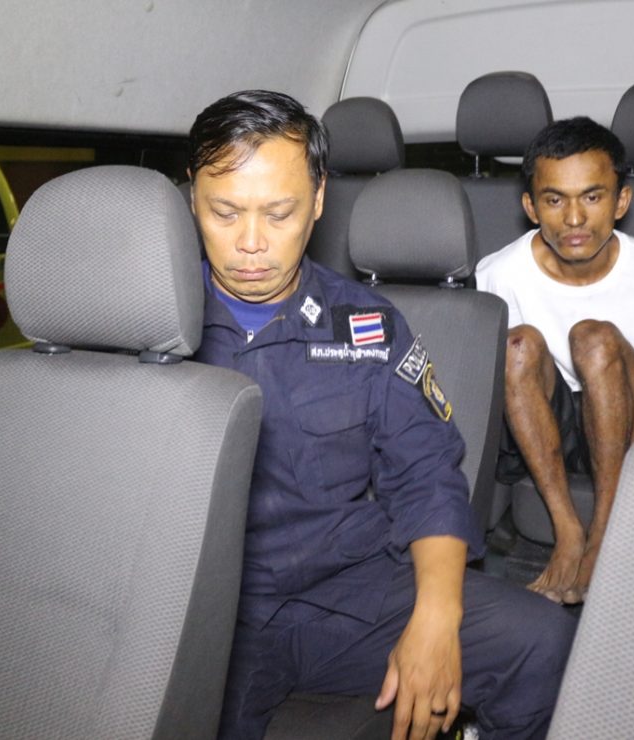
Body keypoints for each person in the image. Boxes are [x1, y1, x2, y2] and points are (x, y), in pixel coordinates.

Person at [188, 90, 576, 740]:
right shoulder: (152, 330)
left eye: (279, 213)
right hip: (210, 608)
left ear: (317, 203)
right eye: (224, 212)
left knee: (540, 642)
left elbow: (426, 474)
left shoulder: (364, 327)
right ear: (192, 199)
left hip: (348, 590)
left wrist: (435, 615)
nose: (251, 243)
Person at [476, 116, 634, 606]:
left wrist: (612, 376)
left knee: (594, 340)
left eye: (592, 196)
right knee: (517, 344)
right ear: (530, 206)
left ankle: (605, 531)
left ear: (620, 201)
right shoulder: (498, 275)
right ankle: (569, 531)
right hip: (548, 426)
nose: (574, 219)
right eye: (554, 199)